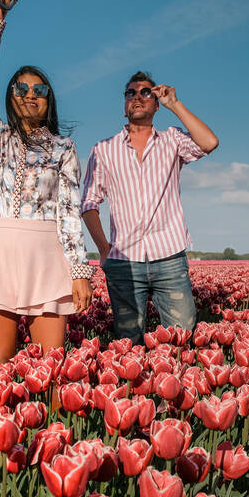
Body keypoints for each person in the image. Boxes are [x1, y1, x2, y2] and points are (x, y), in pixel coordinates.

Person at [0, 0, 94, 377]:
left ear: (49, 99)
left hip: (46, 256)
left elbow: (70, 214)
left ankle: (52, 439)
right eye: (21, 88)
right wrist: (1, 14)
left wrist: (79, 270)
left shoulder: (63, 149)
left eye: (39, 89)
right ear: (9, 97)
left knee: (51, 372)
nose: (30, 93)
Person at [81, 72, 218, 343]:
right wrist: (103, 248)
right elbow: (88, 203)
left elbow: (209, 143)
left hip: (168, 257)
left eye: (146, 92)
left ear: (156, 104)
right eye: (130, 93)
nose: (137, 97)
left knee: (181, 338)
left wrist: (175, 104)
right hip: (124, 260)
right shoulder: (104, 150)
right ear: (124, 106)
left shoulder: (172, 140)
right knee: (127, 342)